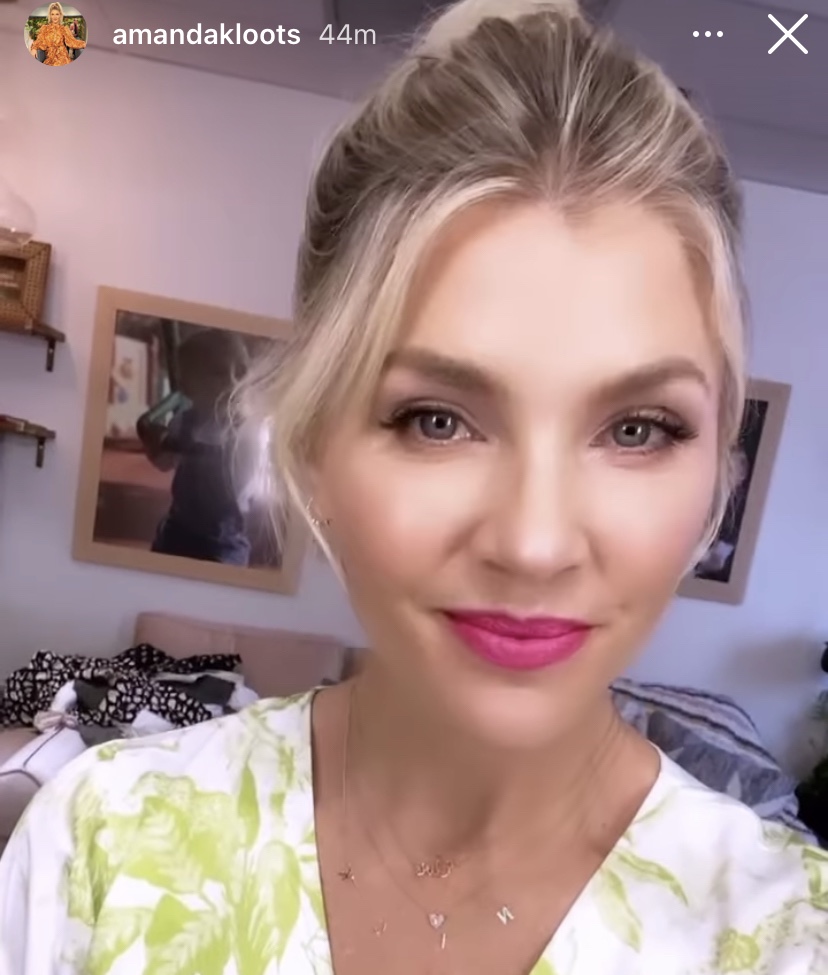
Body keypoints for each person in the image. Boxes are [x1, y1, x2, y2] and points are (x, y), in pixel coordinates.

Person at [1, 1, 826, 972]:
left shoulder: (788, 938)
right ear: (314, 444)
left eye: (637, 429)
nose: (533, 542)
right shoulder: (101, 843)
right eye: (437, 420)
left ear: (719, 470)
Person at [136, 328, 255, 566]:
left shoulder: (247, 431)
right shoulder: (183, 422)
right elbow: (164, 463)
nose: (234, 383)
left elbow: (241, 486)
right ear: (189, 387)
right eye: (218, 373)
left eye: (241, 372)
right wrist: (155, 445)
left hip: (222, 542)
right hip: (178, 529)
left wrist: (198, 451)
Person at [29, 2, 85, 66]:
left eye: (57, 14)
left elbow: (71, 41)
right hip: (50, 57)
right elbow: (39, 41)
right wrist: (34, 48)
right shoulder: (44, 28)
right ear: (50, 16)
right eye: (52, 14)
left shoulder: (64, 28)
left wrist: (83, 44)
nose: (55, 17)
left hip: (62, 56)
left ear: (60, 15)